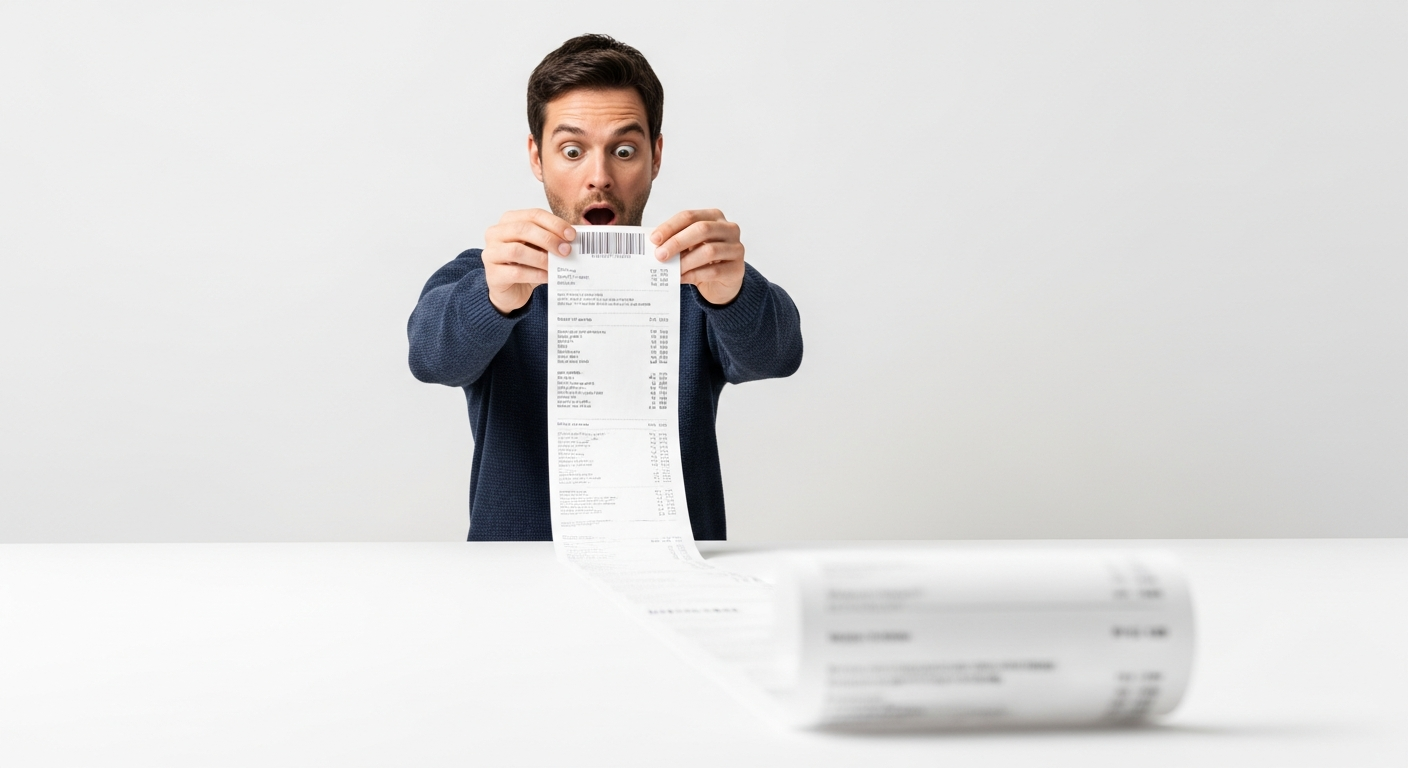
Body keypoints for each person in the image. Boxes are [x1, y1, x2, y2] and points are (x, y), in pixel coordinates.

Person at [407, 34, 803, 541]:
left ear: (655, 157)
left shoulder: (695, 278)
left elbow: (778, 355)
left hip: (672, 566)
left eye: (624, 150)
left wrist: (734, 294)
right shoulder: (493, 273)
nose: (599, 177)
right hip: (515, 571)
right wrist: (493, 299)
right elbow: (430, 358)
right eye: (572, 151)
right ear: (537, 158)